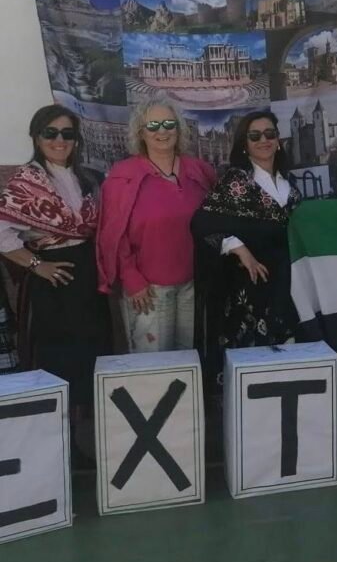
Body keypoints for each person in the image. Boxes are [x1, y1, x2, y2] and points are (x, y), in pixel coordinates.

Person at [0, 105, 111, 416]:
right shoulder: (26, 180)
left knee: (93, 347)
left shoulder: (85, 177)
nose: (59, 140)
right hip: (54, 277)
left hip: (87, 273)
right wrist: (37, 265)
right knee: (60, 353)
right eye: (51, 133)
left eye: (67, 133)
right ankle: (62, 432)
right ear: (37, 138)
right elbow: (2, 232)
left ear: (76, 140)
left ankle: (90, 430)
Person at [97, 98, 216, 352]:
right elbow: (114, 234)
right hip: (149, 289)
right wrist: (132, 278)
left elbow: (217, 220)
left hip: (193, 285)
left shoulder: (199, 170)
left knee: (189, 359)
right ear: (141, 132)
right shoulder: (123, 176)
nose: (162, 131)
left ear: (179, 128)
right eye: (152, 125)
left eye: (168, 123)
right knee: (154, 363)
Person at [191, 111, 301, 372]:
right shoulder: (237, 181)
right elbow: (202, 222)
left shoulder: (290, 185)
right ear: (245, 144)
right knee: (250, 359)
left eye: (270, 134)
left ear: (278, 140)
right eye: (255, 135)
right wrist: (240, 249)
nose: (264, 140)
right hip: (249, 286)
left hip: (287, 284)